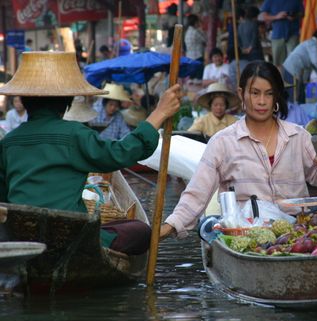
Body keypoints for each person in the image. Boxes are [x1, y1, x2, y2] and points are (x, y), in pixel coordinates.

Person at [0, 51, 182, 255]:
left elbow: (4, 198)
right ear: (66, 102)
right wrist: (159, 113)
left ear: (24, 101)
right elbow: (120, 154)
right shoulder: (74, 134)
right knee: (139, 231)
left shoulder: (8, 141)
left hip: (23, 237)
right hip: (71, 237)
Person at [159, 60, 317, 239]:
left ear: (276, 96)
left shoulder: (298, 136)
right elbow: (197, 194)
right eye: (255, 93)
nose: (262, 101)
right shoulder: (222, 142)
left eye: (269, 94)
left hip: (297, 232)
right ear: (242, 94)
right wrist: (170, 226)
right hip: (246, 235)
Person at [283, 26, 317, 103]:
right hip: (291, 69)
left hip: (291, 68)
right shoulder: (313, 45)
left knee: (300, 92)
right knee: (293, 94)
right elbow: (316, 61)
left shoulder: (310, 43)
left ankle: (301, 110)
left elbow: (314, 65)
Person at [260, 0, 304, 72]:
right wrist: (277, 17)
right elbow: (264, 16)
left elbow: (302, 14)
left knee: (294, 60)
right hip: (278, 34)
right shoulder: (270, 1)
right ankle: (280, 81)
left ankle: (293, 81)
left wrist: (294, 16)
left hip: (293, 34)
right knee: (278, 62)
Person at [184, 14, 207, 79]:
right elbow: (205, 39)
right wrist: (202, 29)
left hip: (189, 58)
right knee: (199, 79)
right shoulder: (196, 32)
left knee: (192, 79)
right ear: (195, 22)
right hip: (197, 57)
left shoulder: (187, 32)